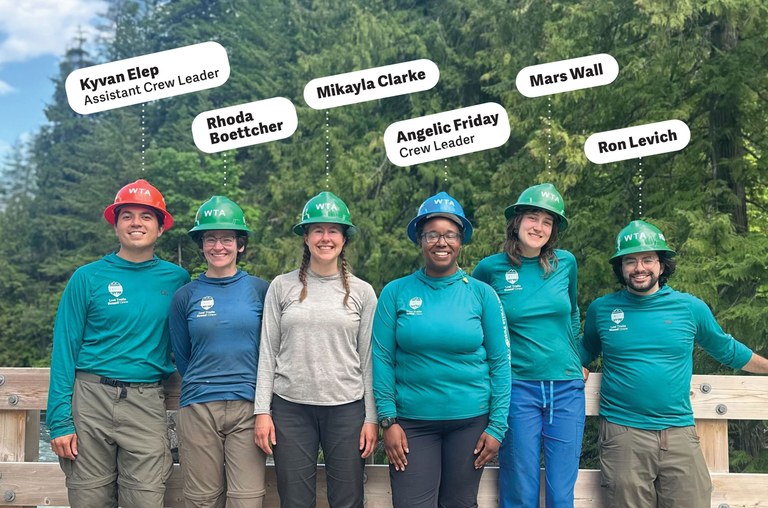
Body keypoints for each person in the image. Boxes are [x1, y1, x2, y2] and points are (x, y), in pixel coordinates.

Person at [580, 219, 768, 508]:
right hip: (623, 433)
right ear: (620, 267)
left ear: (662, 264)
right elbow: (584, 349)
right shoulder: (602, 309)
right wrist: (575, 366)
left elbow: (726, 349)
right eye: (630, 261)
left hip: (679, 431)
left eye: (647, 259)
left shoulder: (689, 308)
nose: (639, 268)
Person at [46, 178, 190, 507]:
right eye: (127, 215)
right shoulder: (87, 277)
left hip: (146, 401)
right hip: (90, 400)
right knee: (88, 498)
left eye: (146, 216)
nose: (136, 223)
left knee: (146, 498)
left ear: (161, 226)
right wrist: (59, 420)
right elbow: (65, 350)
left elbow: (187, 344)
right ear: (115, 224)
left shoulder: (177, 280)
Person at [372, 191, 511, 508]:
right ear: (420, 239)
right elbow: (381, 358)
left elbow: (501, 364)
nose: (441, 242)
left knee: (460, 504)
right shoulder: (396, 292)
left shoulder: (482, 295)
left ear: (461, 241)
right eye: (432, 234)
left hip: (470, 422)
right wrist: (388, 421)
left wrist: (497, 427)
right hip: (411, 424)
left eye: (450, 234)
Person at [253, 191, 378, 508]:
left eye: (333, 230)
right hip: (290, 409)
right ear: (305, 237)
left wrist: (371, 418)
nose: (326, 238)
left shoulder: (363, 292)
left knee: (348, 499)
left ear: (344, 238)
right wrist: (262, 412)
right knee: (295, 501)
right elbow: (267, 353)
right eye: (317, 230)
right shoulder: (281, 287)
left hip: (347, 408)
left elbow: (368, 361)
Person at [472, 183, 584, 508]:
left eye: (547, 222)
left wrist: (578, 357)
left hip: (566, 387)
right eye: (533, 218)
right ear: (516, 221)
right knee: (520, 486)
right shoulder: (490, 269)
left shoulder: (567, 263)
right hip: (518, 387)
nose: (539, 227)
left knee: (562, 492)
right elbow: (472, 322)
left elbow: (573, 313)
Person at [169, 196, 270, 508]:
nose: (218, 246)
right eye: (210, 239)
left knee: (247, 500)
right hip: (198, 406)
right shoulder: (185, 296)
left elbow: (271, 350)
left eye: (227, 239)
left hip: (249, 407)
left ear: (240, 244)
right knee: (201, 501)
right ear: (201, 244)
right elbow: (182, 355)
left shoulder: (261, 290)